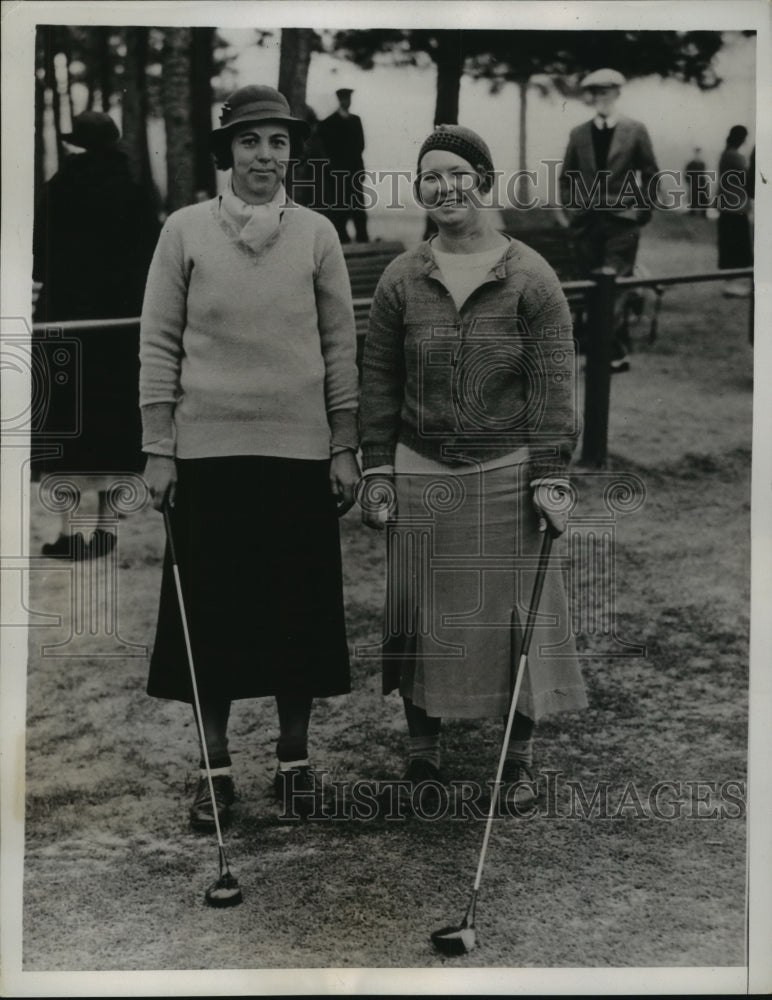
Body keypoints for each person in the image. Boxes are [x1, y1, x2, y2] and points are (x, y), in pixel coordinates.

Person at [139, 85, 361, 829]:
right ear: (225, 152)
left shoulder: (318, 234)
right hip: (207, 460)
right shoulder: (184, 230)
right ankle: (214, 767)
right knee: (214, 620)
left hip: (298, 458)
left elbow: (339, 346)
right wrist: (159, 448)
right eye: (249, 142)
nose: (264, 156)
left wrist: (343, 443)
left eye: (277, 142)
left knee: (295, 615)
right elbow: (158, 343)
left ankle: (294, 760)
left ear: (292, 153)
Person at [359, 124, 587, 810]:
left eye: (459, 174)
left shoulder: (531, 276)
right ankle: (422, 750)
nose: (445, 187)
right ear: (420, 189)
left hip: (505, 473)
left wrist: (550, 475)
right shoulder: (403, 277)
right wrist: (377, 470)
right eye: (431, 176)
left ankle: (515, 760)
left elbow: (552, 386)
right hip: (420, 468)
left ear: (482, 181)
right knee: (420, 612)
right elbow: (377, 380)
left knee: (519, 616)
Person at [32, 110, 160, 558]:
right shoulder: (134, 188)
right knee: (114, 418)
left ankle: (68, 532)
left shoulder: (60, 188)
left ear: (76, 145)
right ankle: (106, 528)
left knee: (69, 422)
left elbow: (38, 255)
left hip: (69, 323)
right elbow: (152, 252)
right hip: (123, 327)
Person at [558, 68, 659, 373]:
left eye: (607, 92)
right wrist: (574, 210)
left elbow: (651, 173)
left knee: (615, 285)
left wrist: (641, 211)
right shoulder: (579, 133)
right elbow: (566, 177)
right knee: (591, 285)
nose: (601, 98)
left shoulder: (635, 129)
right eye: (596, 93)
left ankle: (604, 355)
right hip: (587, 222)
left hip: (622, 222)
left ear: (617, 93)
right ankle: (614, 351)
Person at [318, 87, 369, 244]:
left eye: (349, 99)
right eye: (345, 99)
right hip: (338, 174)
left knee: (359, 210)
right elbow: (326, 149)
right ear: (340, 100)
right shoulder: (328, 122)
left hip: (354, 173)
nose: (347, 102)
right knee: (340, 210)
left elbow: (361, 145)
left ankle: (363, 241)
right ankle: (343, 243)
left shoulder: (356, 120)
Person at [716, 125, 753, 299]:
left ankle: (731, 284)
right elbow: (748, 180)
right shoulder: (735, 156)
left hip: (729, 206)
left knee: (731, 247)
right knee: (737, 247)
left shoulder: (727, 154)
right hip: (735, 207)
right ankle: (733, 286)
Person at [684, 147, 708, 216]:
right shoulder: (691, 163)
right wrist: (689, 181)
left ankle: (703, 213)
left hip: (701, 182)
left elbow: (703, 173)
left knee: (702, 197)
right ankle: (693, 212)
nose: (698, 154)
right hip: (694, 182)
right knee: (694, 198)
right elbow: (686, 173)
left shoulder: (702, 163)